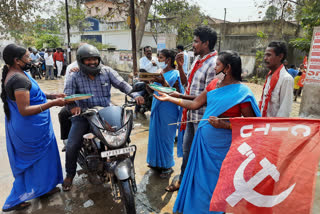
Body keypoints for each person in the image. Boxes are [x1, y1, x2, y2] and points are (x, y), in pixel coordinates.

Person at [154, 50, 261, 214]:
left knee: (216, 183)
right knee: (199, 181)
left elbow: (250, 124)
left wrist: (224, 125)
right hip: (203, 142)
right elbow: (195, 103)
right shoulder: (213, 84)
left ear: (228, 68)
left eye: (217, 65)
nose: (214, 68)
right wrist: (169, 98)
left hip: (222, 148)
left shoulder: (243, 93)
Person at [62, 44, 144, 191]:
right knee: (72, 145)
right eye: (88, 60)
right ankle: (69, 174)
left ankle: (124, 165)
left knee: (123, 138)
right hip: (84, 115)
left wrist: (136, 95)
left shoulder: (107, 71)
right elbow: (68, 96)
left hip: (105, 113)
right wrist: (73, 106)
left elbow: (122, 84)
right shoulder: (73, 76)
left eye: (95, 59)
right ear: (81, 61)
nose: (92, 62)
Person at [0, 44, 66, 212]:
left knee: (44, 160)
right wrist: (52, 103)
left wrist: (51, 95)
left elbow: (35, 92)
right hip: (29, 129)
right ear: (16, 60)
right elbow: (24, 110)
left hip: (34, 127)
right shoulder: (18, 79)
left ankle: (45, 188)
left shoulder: (19, 73)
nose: (31, 60)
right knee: (31, 164)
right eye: (28, 57)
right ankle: (17, 198)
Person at [165, 26, 218, 192]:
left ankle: (196, 187)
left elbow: (205, 98)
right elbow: (187, 84)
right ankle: (183, 180)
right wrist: (180, 67)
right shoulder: (198, 60)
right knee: (186, 150)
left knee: (200, 154)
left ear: (206, 43)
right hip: (190, 114)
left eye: (196, 41)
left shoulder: (214, 64)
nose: (192, 45)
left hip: (202, 118)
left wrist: (174, 97)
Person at [146, 49, 184, 178]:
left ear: (168, 59)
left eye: (160, 57)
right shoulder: (159, 72)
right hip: (157, 106)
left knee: (166, 137)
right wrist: (148, 83)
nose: (158, 60)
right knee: (155, 136)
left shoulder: (176, 74)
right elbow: (152, 92)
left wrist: (163, 83)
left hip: (169, 108)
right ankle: (156, 163)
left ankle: (167, 166)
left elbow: (178, 93)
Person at [259, 41, 293, 117]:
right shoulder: (270, 76)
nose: (265, 58)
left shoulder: (286, 79)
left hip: (272, 127)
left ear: (280, 56)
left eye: (269, 55)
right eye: (265, 55)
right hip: (262, 124)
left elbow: (284, 110)